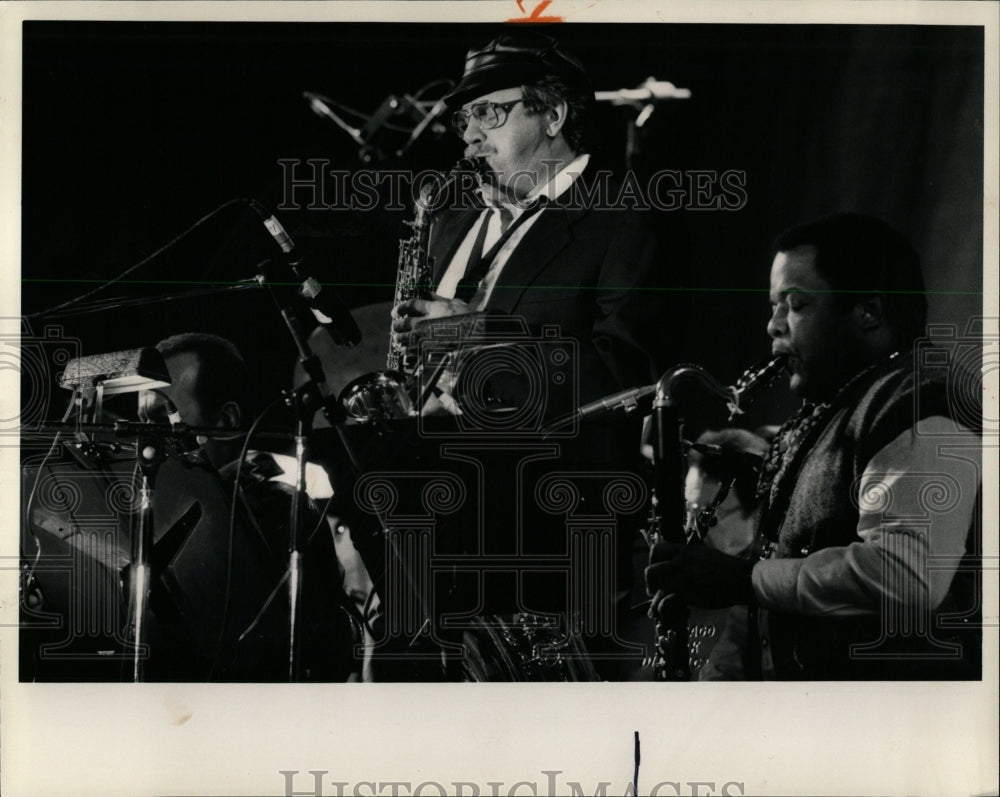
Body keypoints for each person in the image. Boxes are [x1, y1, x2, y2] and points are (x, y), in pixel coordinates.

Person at [368, 32, 667, 678]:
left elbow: (625, 379)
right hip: (424, 535)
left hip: (542, 551)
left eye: (489, 113)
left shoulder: (620, 218)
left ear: (553, 116)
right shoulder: (448, 217)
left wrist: (483, 334)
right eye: (464, 118)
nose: (468, 136)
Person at [646, 213, 981, 679]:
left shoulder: (921, 403)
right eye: (773, 307)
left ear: (869, 313)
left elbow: (908, 576)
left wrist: (743, 579)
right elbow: (819, 500)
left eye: (796, 304)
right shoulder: (836, 406)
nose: (773, 327)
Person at [138, 332, 357, 681]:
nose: (146, 439)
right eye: (143, 420)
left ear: (225, 422)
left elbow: (324, 654)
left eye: (167, 416)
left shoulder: (280, 510)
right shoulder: (141, 514)